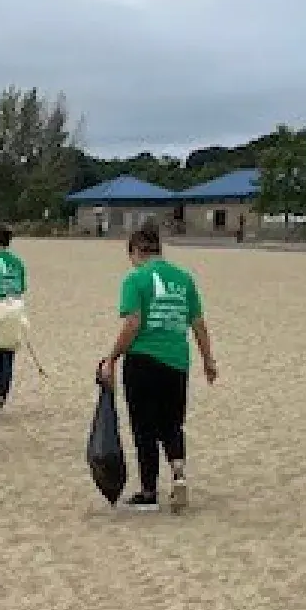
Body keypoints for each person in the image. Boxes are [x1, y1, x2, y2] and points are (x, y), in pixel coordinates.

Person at [95, 220, 219, 513]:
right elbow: (198, 324)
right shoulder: (184, 279)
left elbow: (133, 323)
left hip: (143, 361)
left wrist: (112, 357)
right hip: (177, 360)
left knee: (144, 427)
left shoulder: (135, 280)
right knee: (172, 423)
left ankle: (149, 491)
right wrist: (208, 360)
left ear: (137, 251)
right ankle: (178, 474)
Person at [0, 223, 28, 417]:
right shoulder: (17, 261)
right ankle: (2, 391)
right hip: (15, 307)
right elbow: (22, 287)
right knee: (7, 354)